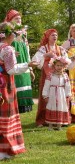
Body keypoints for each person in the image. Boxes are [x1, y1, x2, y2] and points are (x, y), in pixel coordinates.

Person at [0, 22, 38, 160]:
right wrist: (28, 64)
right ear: (10, 34)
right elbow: (11, 70)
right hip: (5, 85)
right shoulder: (8, 49)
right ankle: (4, 151)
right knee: (6, 116)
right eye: (15, 34)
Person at [32, 29, 75, 127]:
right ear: (48, 37)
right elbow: (35, 60)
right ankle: (42, 119)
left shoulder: (60, 48)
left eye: (56, 35)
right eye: (52, 35)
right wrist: (45, 55)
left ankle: (61, 119)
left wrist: (73, 59)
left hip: (59, 75)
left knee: (61, 96)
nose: (55, 37)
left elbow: (67, 62)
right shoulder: (44, 48)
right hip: (47, 74)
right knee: (46, 95)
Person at [4, 9, 34, 113]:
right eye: (16, 18)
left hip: (24, 62)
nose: (19, 20)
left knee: (24, 82)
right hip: (13, 63)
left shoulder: (23, 33)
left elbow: (27, 50)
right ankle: (16, 106)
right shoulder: (7, 33)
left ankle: (25, 107)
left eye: (20, 18)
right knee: (16, 83)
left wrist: (30, 68)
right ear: (10, 20)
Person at [42, 56, 72, 131]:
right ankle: (50, 125)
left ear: (64, 66)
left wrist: (68, 94)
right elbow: (46, 85)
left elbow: (68, 86)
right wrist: (45, 95)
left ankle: (59, 125)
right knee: (51, 106)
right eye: (57, 65)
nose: (59, 67)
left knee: (60, 107)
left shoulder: (65, 75)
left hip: (61, 94)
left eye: (61, 65)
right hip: (52, 94)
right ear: (54, 66)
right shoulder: (50, 75)